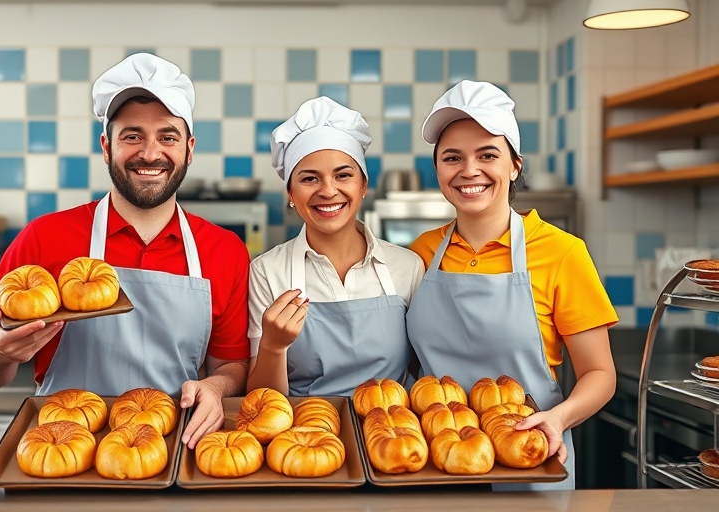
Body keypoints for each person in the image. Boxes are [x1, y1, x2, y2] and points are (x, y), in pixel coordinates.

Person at [0, 53, 251, 448]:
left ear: (189, 148)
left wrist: (217, 386)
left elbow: (231, 364)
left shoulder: (224, 250)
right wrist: (1, 354)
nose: (150, 154)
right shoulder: (45, 237)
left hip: (168, 453)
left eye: (167, 136)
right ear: (105, 146)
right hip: (61, 452)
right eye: (132, 136)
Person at [405, 80, 617, 490]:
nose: (469, 171)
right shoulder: (421, 252)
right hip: (435, 464)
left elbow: (600, 373)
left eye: (488, 155)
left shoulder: (562, 252)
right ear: (438, 170)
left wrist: (558, 418)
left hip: (530, 458)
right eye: (453, 158)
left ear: (515, 165)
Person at [247, 96, 424, 397]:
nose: (328, 191)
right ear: (290, 193)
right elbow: (262, 402)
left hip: (394, 435)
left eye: (343, 175)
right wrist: (273, 347)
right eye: (309, 179)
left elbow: (425, 374)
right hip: (305, 435)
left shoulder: (408, 267)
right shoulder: (267, 271)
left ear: (363, 186)